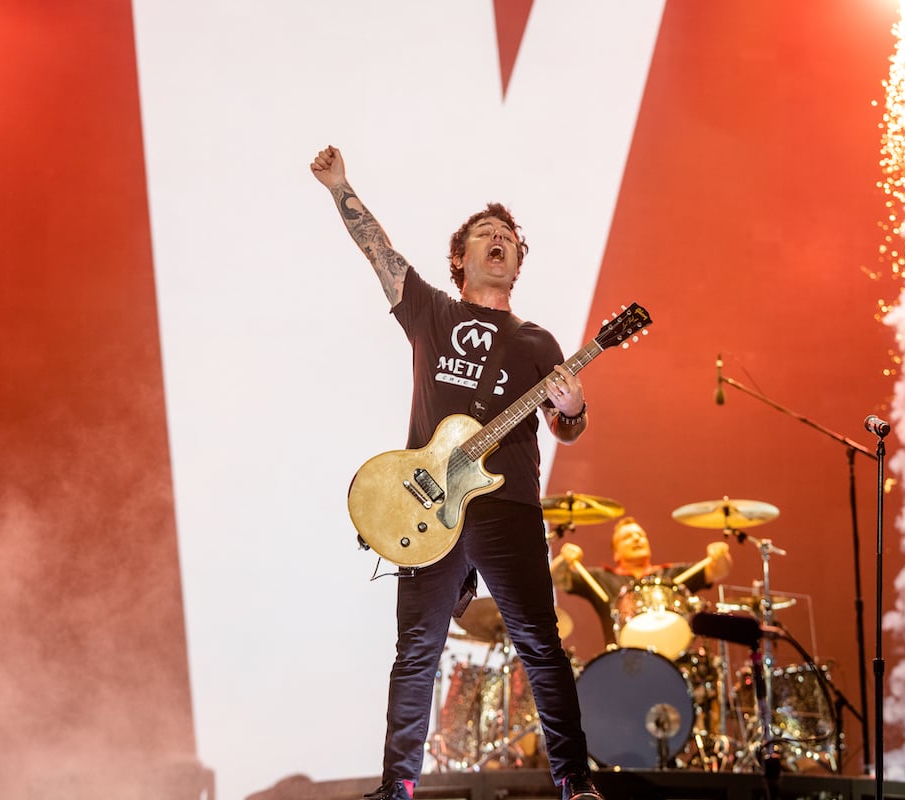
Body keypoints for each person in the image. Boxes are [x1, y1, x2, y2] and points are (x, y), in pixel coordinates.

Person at [310, 145, 604, 800]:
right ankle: (398, 788)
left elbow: (566, 427)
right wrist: (340, 186)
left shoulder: (539, 343)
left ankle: (575, 784)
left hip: (510, 508)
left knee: (540, 646)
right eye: (486, 236)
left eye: (508, 239)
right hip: (428, 506)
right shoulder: (432, 313)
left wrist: (574, 407)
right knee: (416, 653)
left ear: (517, 264)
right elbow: (378, 252)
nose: (499, 242)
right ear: (461, 258)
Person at [550, 516, 732, 650]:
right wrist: (565, 559)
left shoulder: (670, 575)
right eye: (627, 537)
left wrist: (720, 555)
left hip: (672, 655)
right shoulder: (602, 578)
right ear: (616, 553)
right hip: (622, 662)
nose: (636, 539)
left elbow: (718, 570)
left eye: (640, 535)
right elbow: (558, 578)